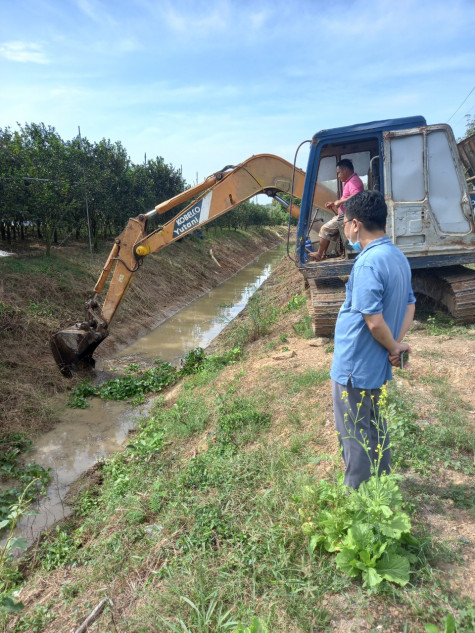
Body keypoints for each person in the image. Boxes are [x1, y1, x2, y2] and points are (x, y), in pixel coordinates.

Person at [330, 190, 416, 489]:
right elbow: (409, 305)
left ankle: (358, 498)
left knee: (354, 433)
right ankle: (382, 483)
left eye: (344, 223)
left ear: (356, 224)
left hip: (355, 366)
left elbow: (373, 320)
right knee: (376, 426)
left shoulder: (367, 264)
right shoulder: (397, 256)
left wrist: (393, 345)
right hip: (377, 363)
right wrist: (395, 346)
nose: (344, 229)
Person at [308, 159, 364, 261]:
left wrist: (341, 202)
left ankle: (320, 254)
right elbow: (349, 197)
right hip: (345, 215)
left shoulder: (353, 181)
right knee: (327, 230)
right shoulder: (350, 182)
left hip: (348, 216)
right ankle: (323, 254)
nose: (338, 176)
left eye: (338, 173)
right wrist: (335, 203)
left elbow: (358, 196)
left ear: (345, 170)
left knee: (325, 229)